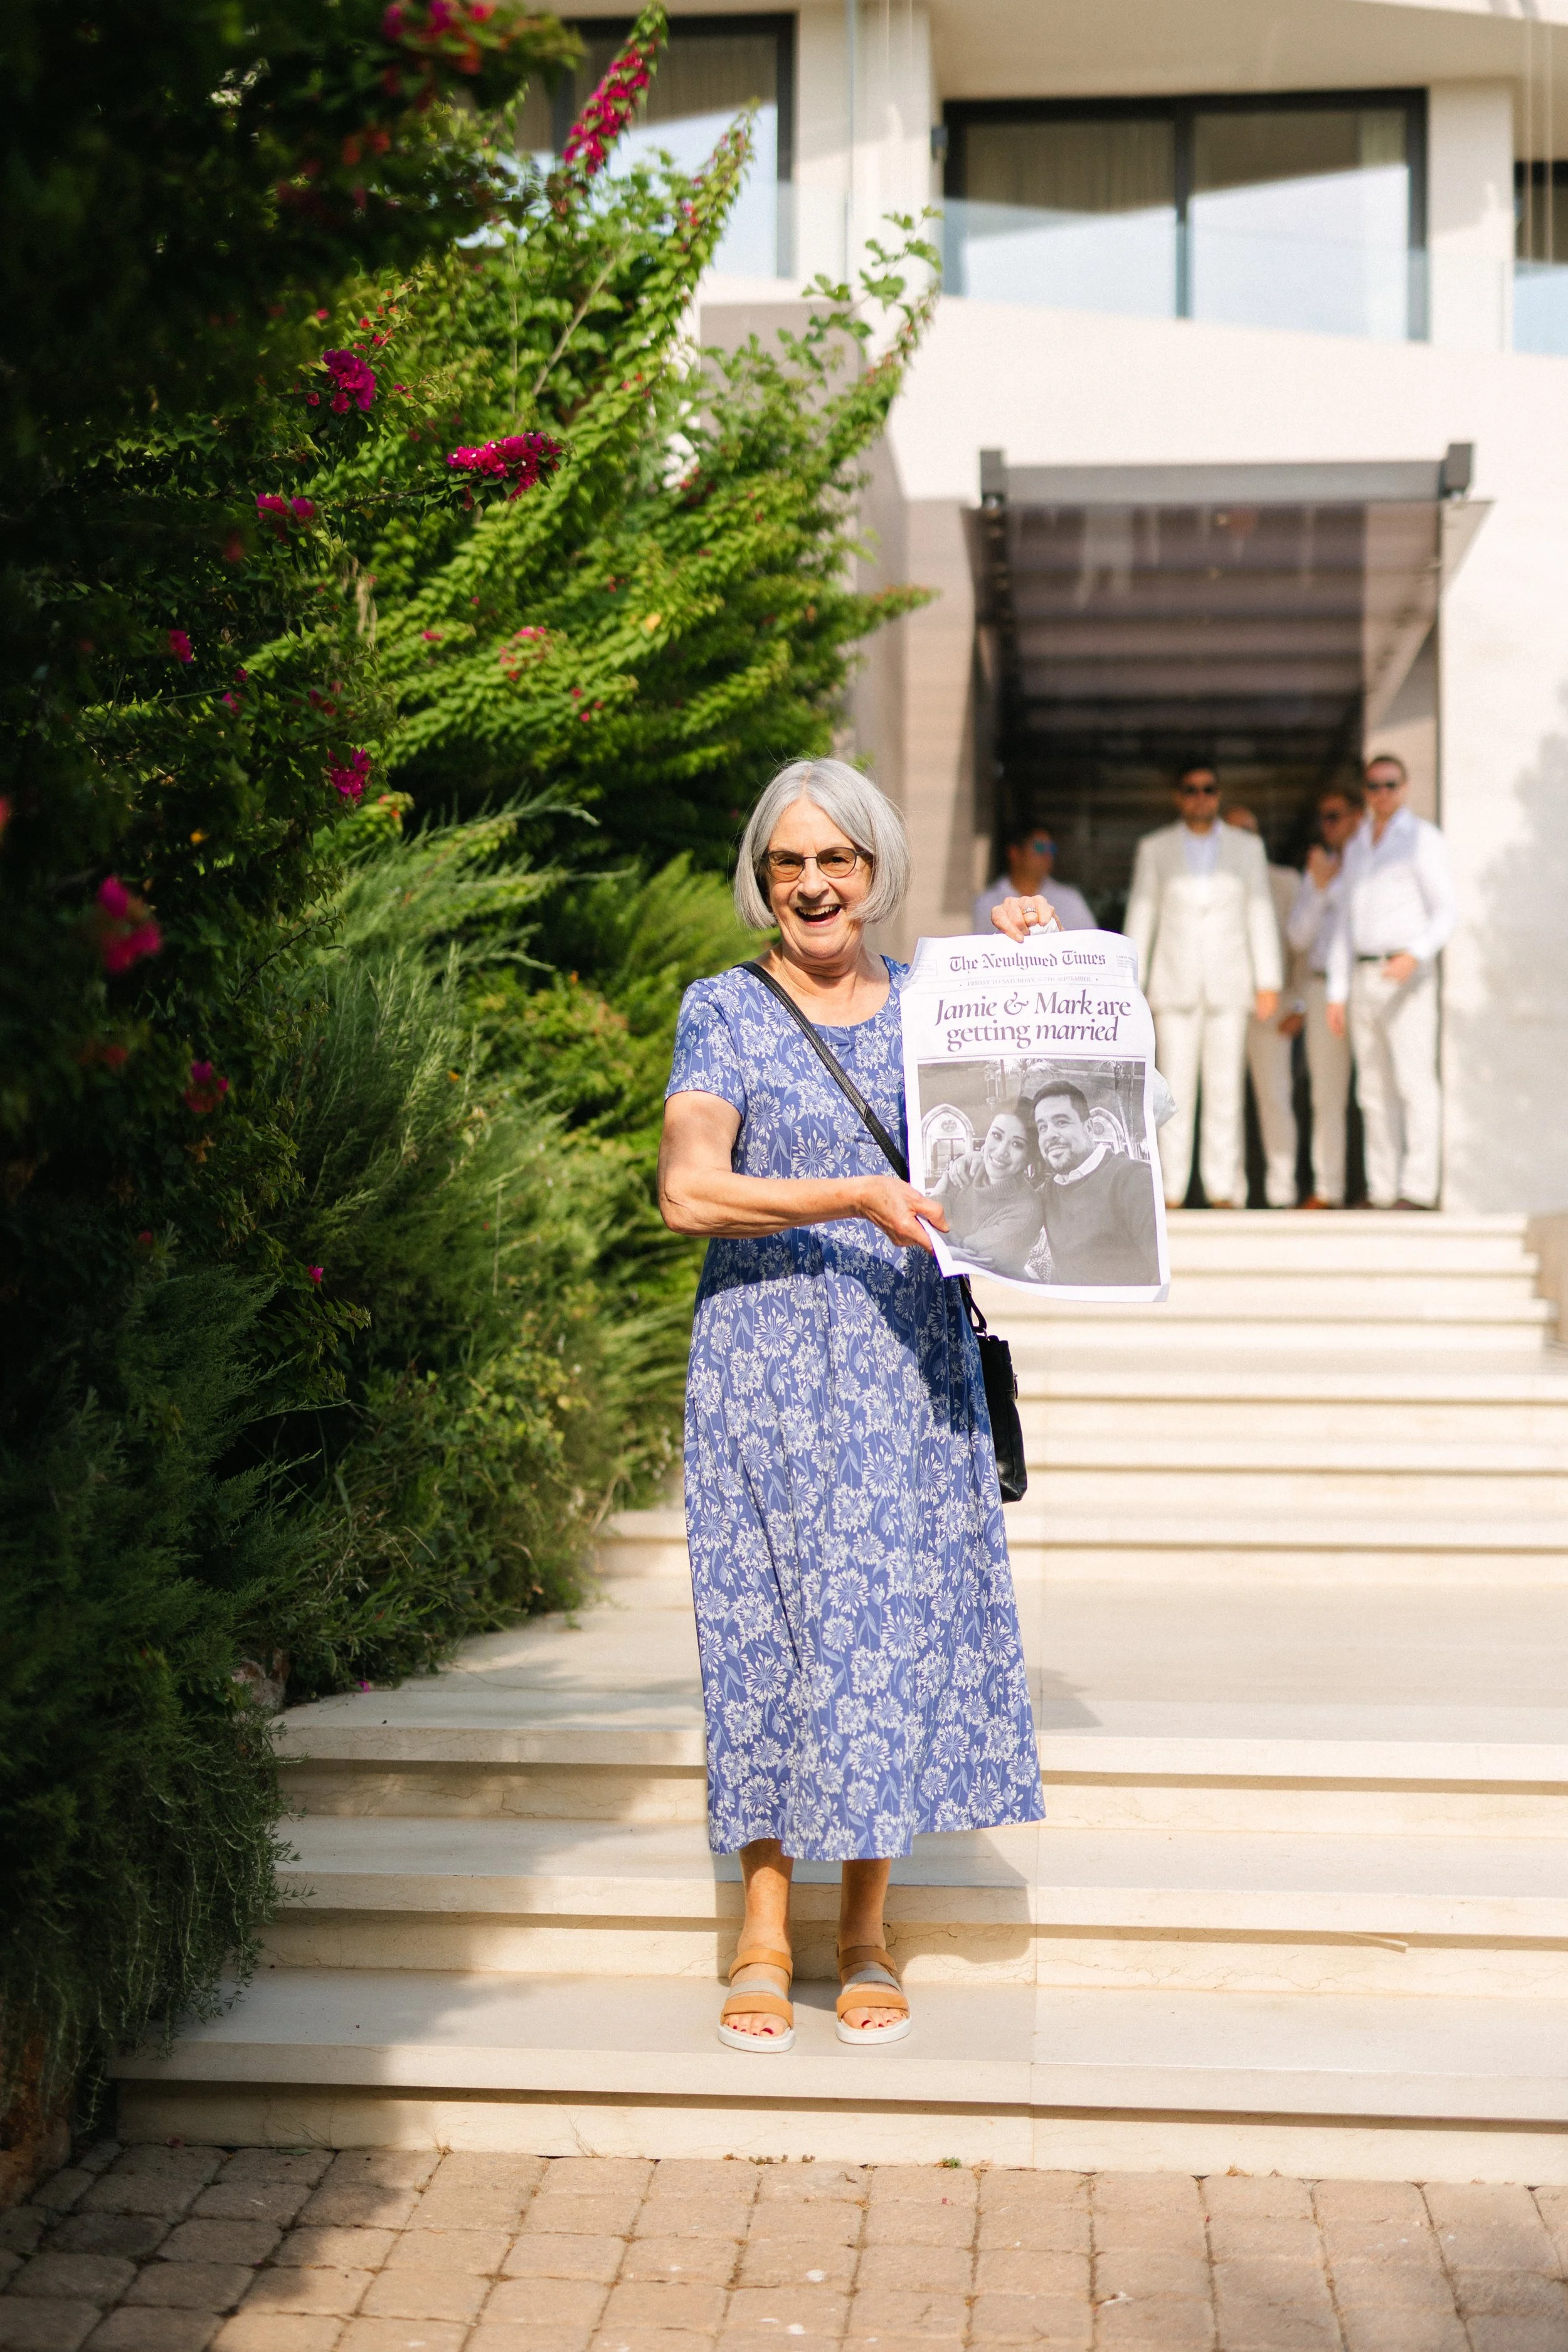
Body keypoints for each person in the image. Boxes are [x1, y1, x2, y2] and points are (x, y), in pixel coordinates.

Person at [657, 759, 1044, 2056]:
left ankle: (865, 1933)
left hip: (904, 1361)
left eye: (837, 859)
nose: (814, 884)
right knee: (764, 1628)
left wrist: (1036, 975)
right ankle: (764, 1936)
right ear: (761, 878)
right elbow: (689, 1189)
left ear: (875, 871)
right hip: (762, 1368)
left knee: (886, 1629)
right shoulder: (722, 1009)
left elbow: (1078, 1122)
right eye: (789, 862)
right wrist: (851, 1194)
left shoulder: (941, 1002)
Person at [1122, 765, 1283, 1209]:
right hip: (1173, 984)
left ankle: (1222, 1189)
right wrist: (1130, 983)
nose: (1200, 797)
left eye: (1208, 790)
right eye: (1191, 790)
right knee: (1172, 1091)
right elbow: (1142, 913)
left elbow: (1259, 911)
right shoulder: (1155, 847)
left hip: (1230, 983)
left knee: (1226, 1090)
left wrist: (1268, 980)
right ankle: (1170, 1190)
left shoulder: (1247, 847)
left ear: (1218, 795)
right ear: (1179, 797)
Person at [1325, 753, 1458, 1209]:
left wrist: (1414, 955)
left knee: (1413, 1081)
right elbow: (1345, 923)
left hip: (1406, 975)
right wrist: (1337, 991)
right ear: (1365, 792)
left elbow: (1446, 912)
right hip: (1363, 974)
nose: (1382, 793)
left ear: (1404, 787)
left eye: (1390, 784)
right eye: (1374, 786)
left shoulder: (1422, 838)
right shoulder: (1359, 844)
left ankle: (1417, 1188)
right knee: (1372, 1088)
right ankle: (1382, 1189)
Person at [1286, 783, 1363, 1208]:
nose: (1327, 826)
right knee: (1326, 1094)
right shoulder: (1318, 869)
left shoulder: (1372, 860)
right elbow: (1298, 937)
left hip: (1365, 982)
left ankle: (1383, 1189)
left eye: (1335, 816)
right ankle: (1329, 1188)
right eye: (1323, 819)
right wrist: (1318, 889)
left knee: (1377, 1088)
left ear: (1356, 817)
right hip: (1320, 988)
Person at [1224, 806, 1305, 1209]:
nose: (1243, 839)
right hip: (1224, 1007)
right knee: (1225, 1101)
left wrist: (1301, 1004)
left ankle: (1282, 1191)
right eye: (1234, 832)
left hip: (1274, 1010)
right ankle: (1229, 1191)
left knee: (1275, 1099)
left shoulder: (1285, 880)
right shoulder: (1212, 882)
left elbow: (1302, 947)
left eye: (1249, 831)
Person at [1030, 1080, 1160, 1285]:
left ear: (1089, 1128)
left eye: (1061, 1122)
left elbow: (1163, 1271)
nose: (1050, 1135)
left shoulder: (1134, 1179)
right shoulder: (1046, 1194)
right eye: (1043, 1127)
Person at [930, 1103, 1045, 1279]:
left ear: (1030, 1156)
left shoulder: (1027, 1212)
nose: (1001, 1151)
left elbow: (967, 1258)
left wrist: (945, 1251)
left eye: (1017, 1144)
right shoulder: (967, 1171)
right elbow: (925, 1227)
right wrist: (946, 1177)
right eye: (997, 1135)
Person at [974, 824, 1095, 935]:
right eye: (1040, 847)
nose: (1048, 855)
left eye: (1051, 848)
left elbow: (1091, 944)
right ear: (1014, 853)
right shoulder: (986, 902)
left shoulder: (1071, 900)